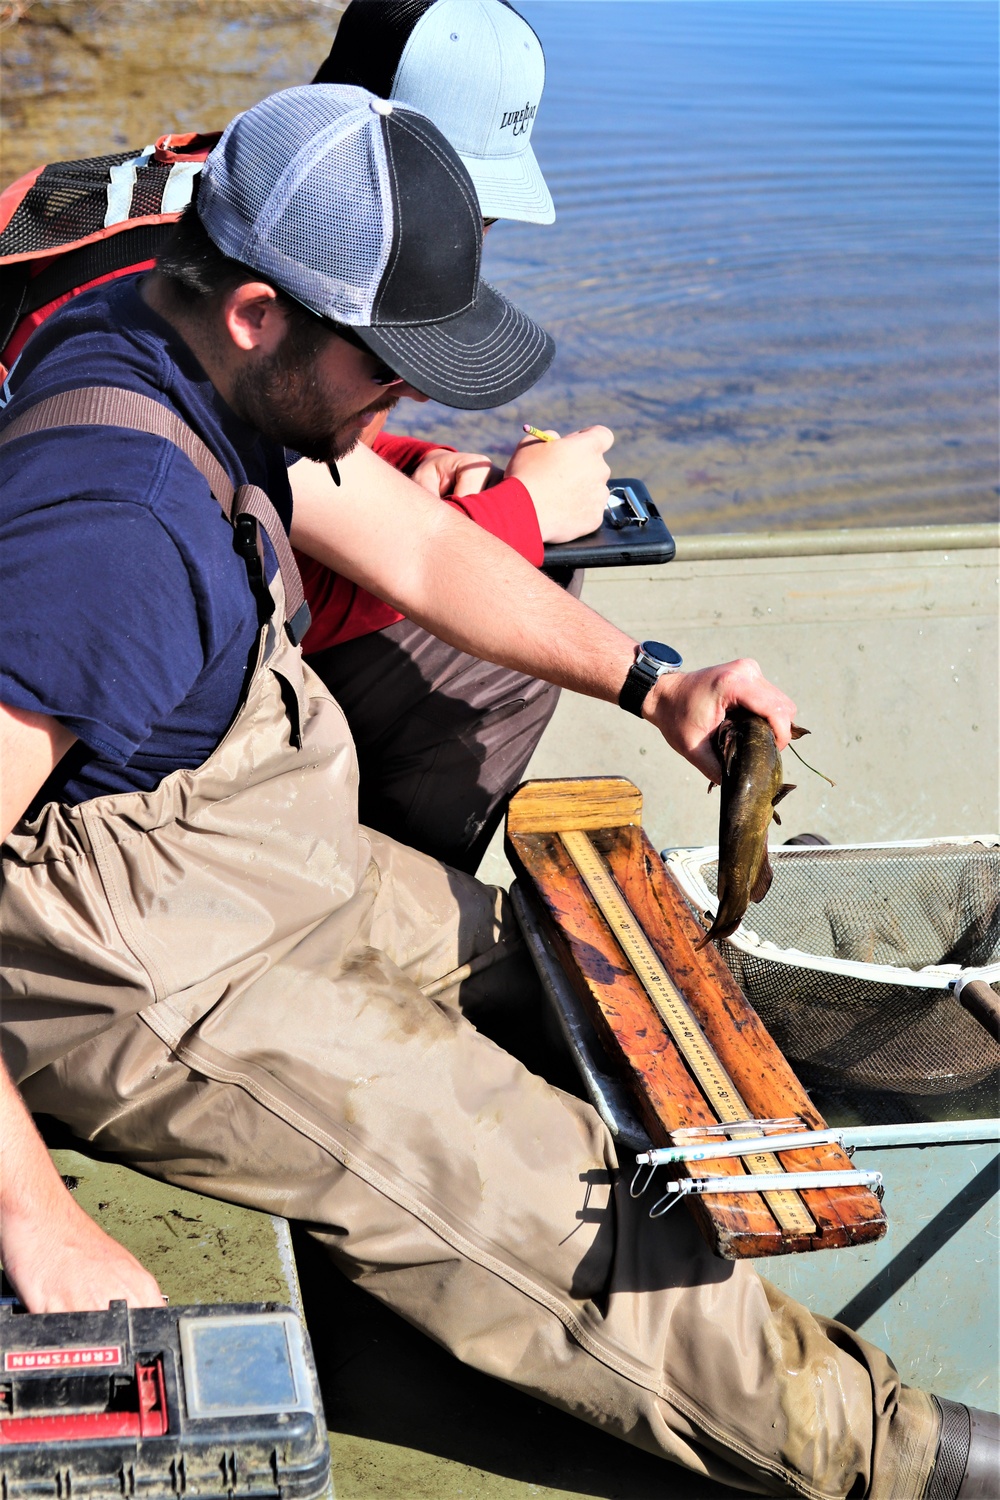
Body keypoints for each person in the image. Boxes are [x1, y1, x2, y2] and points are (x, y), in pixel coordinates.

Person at [0, 86, 992, 1500]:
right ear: (257, 311)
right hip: (153, 981)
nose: (408, 396)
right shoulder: (106, 530)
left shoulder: (170, 343)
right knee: (579, 1213)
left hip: (253, 861)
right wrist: (37, 1222)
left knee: (594, 979)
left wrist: (653, 681)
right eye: (389, 361)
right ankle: (903, 1456)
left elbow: (409, 540)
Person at [0, 0, 598, 874]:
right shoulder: (223, 312)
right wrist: (524, 511)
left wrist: (408, 458)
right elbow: (255, 542)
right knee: (513, 624)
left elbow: (289, 469)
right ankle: (345, 882)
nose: (469, 247)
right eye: (463, 207)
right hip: (110, 677)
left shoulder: (223, 200)